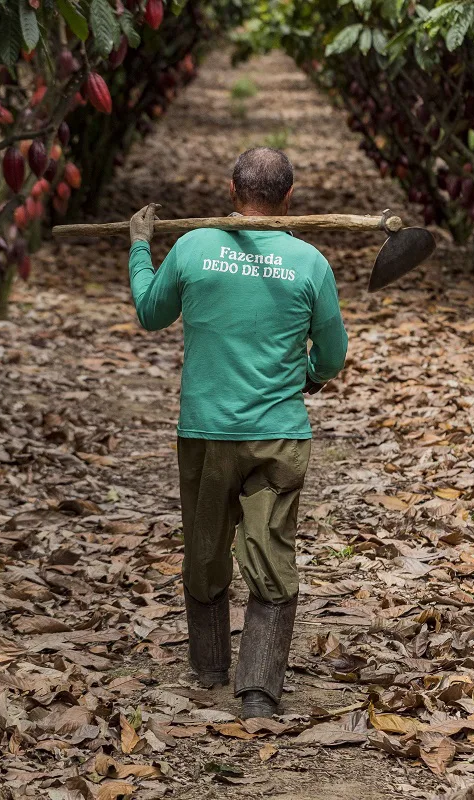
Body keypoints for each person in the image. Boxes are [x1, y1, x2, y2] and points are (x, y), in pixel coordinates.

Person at [126, 147, 348, 719]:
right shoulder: (310, 263)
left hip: (206, 430)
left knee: (204, 548)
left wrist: (139, 247)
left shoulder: (194, 246)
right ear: (290, 199)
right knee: (270, 551)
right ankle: (258, 691)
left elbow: (151, 313)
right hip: (278, 434)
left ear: (231, 190)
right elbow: (333, 355)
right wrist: (306, 376)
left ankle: (209, 668)